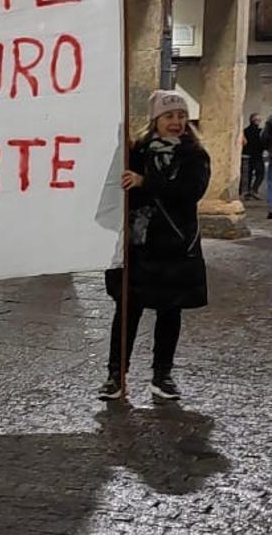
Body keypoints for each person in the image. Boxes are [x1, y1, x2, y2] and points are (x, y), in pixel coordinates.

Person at [99, 90, 210, 402]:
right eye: (169, 116)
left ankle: (162, 375)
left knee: (169, 312)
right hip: (140, 245)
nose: (176, 122)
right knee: (127, 311)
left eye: (180, 116)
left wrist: (146, 182)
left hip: (176, 246)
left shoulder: (194, 155)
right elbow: (116, 190)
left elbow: (190, 192)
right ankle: (115, 376)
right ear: (155, 120)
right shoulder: (136, 153)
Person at [242, 113, 264, 199]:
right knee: (260, 173)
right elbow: (263, 142)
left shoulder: (245, 131)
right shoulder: (260, 132)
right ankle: (254, 190)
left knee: (248, 175)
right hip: (257, 155)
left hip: (246, 155)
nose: (259, 122)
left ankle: (246, 192)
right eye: (258, 120)